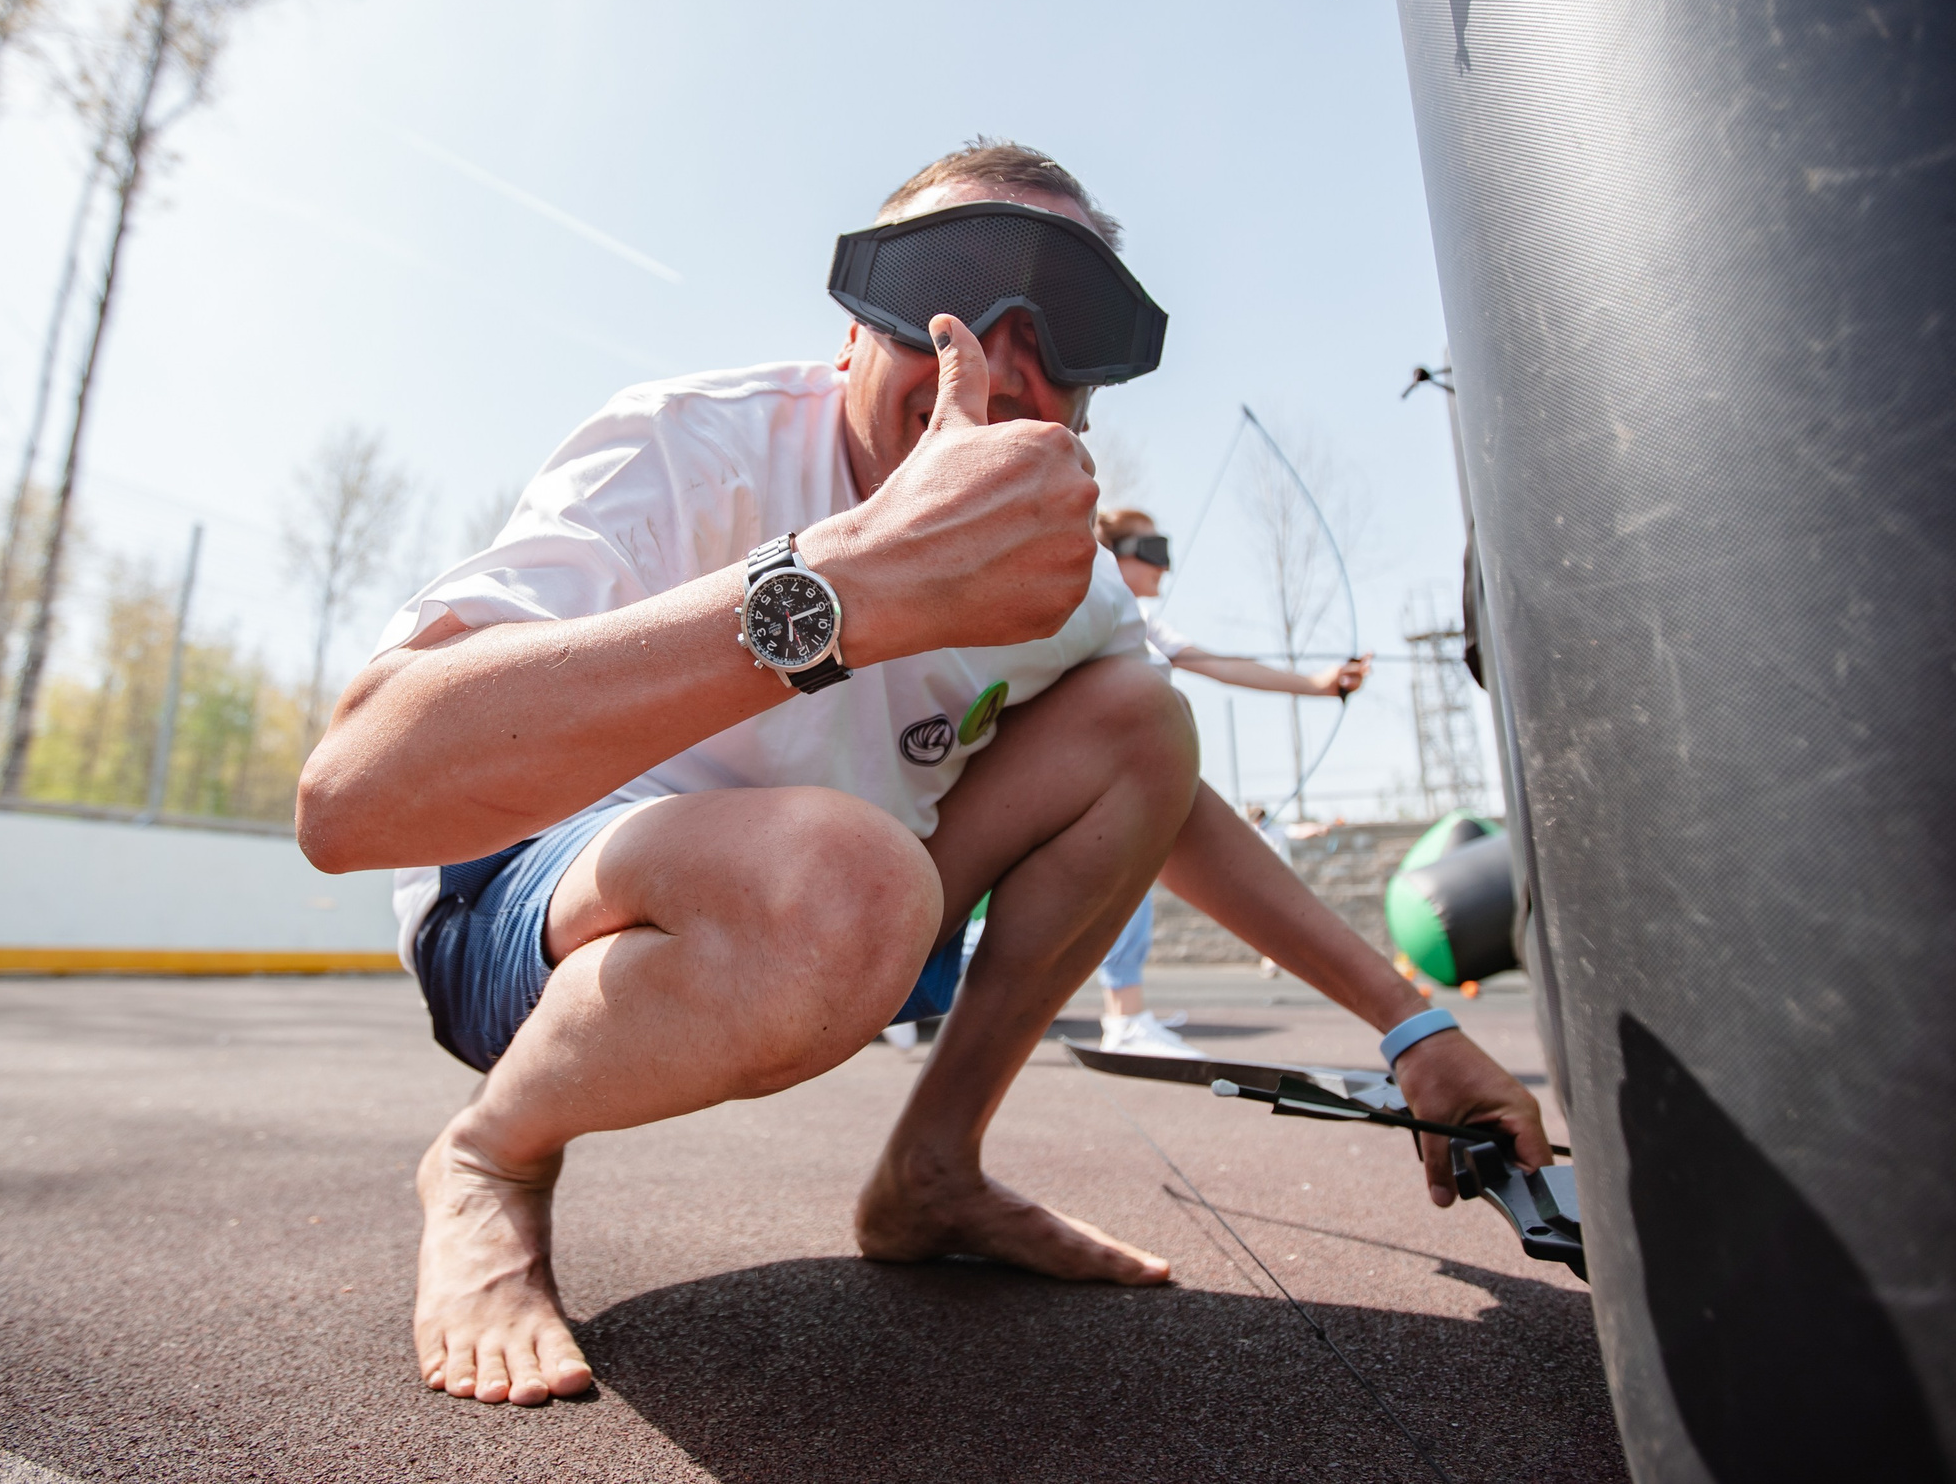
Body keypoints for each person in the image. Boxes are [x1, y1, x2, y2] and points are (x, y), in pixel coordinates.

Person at [298, 139, 1551, 1409]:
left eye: (1070, 327)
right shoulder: (689, 445)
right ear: (850, 336)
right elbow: (351, 797)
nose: (999, 359)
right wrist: (843, 585)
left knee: (1141, 717)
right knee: (848, 877)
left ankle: (932, 1169)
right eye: (945, 287)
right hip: (518, 910)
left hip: (843, 913)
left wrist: (1412, 1023)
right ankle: (491, 1156)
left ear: (1089, 402)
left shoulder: (1069, 579)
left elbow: (1160, 795)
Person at [1088, 506, 1374, 1055]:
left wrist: (1318, 684)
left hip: (1123, 771)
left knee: (1118, 886)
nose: (1164, 568)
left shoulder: (1139, 623)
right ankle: (1123, 1018)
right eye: (1153, 551)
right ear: (1116, 554)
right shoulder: (1078, 599)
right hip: (1077, 767)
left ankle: (1124, 1015)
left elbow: (1222, 664)